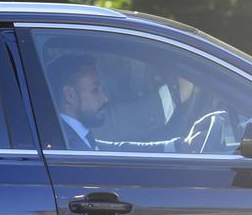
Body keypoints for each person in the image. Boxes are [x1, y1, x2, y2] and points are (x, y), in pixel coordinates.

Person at [46, 54, 220, 152]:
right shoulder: (63, 145)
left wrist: (180, 145)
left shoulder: (71, 137)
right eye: (95, 90)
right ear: (69, 95)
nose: (105, 98)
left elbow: (114, 149)